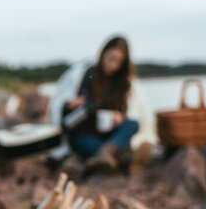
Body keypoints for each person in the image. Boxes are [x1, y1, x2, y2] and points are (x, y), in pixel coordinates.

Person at [49, 36, 157, 171]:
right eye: (111, 59)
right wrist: (72, 105)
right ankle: (116, 155)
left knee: (132, 124)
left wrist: (118, 117)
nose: (114, 66)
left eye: (119, 62)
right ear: (103, 53)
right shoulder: (88, 74)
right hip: (86, 132)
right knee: (79, 141)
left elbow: (124, 111)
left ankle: (108, 153)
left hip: (108, 133)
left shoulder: (122, 82)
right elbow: (68, 116)